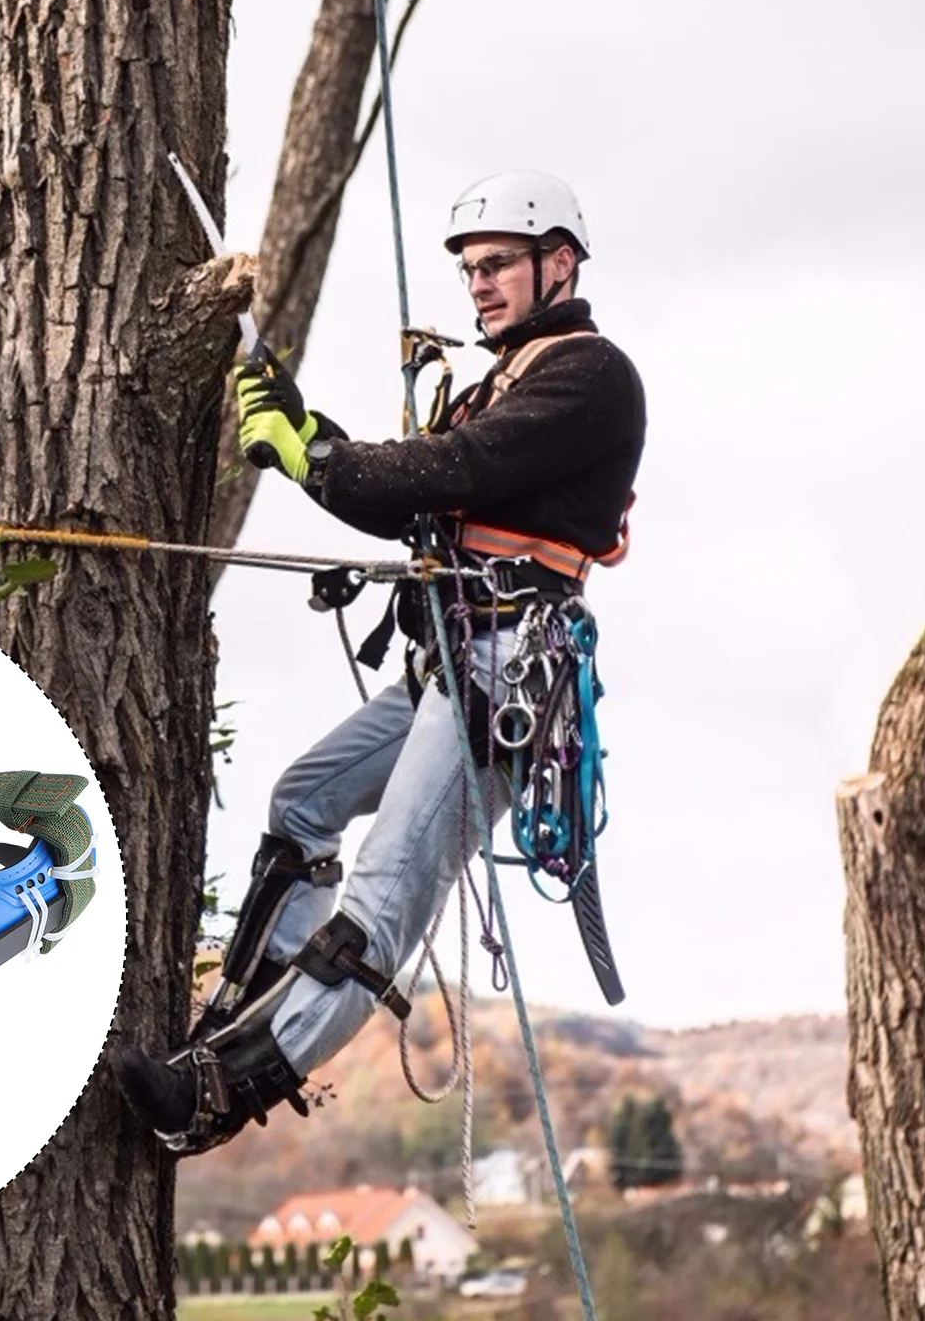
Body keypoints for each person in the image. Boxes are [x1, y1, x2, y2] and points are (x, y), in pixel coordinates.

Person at [113, 170, 646, 1153]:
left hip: (500, 678)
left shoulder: (588, 376)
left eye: (496, 266)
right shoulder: (502, 378)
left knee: (384, 898)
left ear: (558, 262)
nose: (479, 286)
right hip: (446, 656)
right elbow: (413, 495)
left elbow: (453, 473)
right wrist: (310, 435)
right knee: (302, 799)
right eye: (470, 270)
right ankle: (245, 1004)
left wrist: (312, 451)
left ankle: (213, 1093)